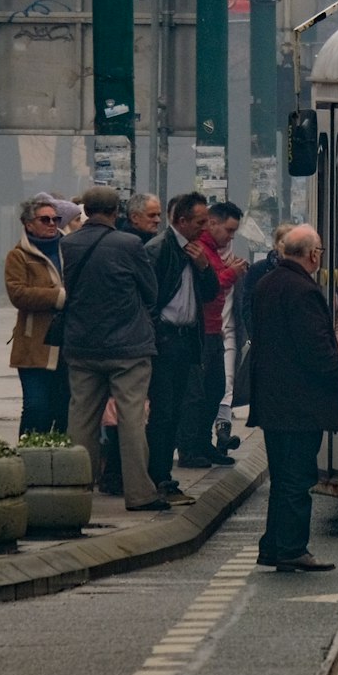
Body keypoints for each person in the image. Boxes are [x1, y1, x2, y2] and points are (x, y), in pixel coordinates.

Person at [61, 186, 169, 513]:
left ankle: (75, 492)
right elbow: (151, 291)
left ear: (87, 209)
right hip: (128, 346)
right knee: (132, 418)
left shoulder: (68, 244)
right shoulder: (130, 244)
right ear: (116, 211)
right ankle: (139, 493)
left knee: (81, 417)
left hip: (82, 344)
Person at [249, 224, 338, 573]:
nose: (319, 256)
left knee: (282, 477)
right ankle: (292, 548)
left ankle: (274, 546)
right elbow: (316, 348)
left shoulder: (267, 283)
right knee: (297, 478)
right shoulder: (303, 291)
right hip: (300, 404)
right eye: (319, 250)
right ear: (311, 254)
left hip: (275, 401)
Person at [145, 192, 219, 506]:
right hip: (166, 338)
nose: (205, 228)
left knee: (177, 409)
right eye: (200, 222)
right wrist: (156, 335)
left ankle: (163, 476)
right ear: (181, 221)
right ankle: (157, 477)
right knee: (163, 412)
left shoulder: (194, 250)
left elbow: (211, 292)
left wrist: (203, 267)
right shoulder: (160, 249)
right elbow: (147, 296)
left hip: (186, 339)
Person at [177, 200, 247, 468]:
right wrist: (232, 273)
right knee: (197, 394)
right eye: (228, 230)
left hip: (214, 331)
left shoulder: (216, 251)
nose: (231, 236)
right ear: (213, 223)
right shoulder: (200, 249)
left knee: (215, 388)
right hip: (201, 330)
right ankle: (190, 447)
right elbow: (211, 287)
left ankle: (203, 443)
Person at [5, 196, 71, 437]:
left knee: (62, 409)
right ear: (28, 223)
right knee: (36, 407)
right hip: (34, 344)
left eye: (56, 219)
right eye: (45, 219)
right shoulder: (19, 255)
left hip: (67, 343)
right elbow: (18, 294)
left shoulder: (69, 248)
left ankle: (58, 464)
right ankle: (29, 461)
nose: (52, 223)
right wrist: (59, 297)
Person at [240, 221, 294, 341]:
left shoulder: (300, 271)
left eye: (293, 243)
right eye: (284, 242)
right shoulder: (258, 269)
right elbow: (248, 303)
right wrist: (254, 335)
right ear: (276, 244)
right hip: (263, 335)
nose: (288, 247)